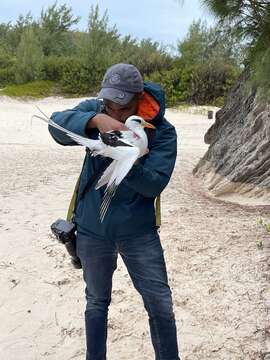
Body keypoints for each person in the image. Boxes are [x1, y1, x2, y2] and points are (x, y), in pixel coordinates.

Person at [49, 63, 181, 360]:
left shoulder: (162, 131)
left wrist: (126, 157)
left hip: (139, 233)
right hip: (93, 230)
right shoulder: (98, 109)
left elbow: (153, 185)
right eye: (108, 102)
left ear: (138, 98)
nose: (114, 110)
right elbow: (55, 126)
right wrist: (96, 120)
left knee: (160, 304)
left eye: (121, 106)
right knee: (96, 301)